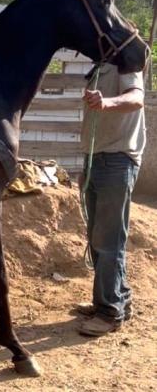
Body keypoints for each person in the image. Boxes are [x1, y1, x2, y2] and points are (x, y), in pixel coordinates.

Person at [76, 62, 145, 336]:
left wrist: (107, 103)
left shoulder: (127, 60)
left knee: (108, 240)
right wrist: (86, 164)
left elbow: (136, 98)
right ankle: (118, 298)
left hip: (117, 160)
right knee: (99, 237)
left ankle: (109, 312)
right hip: (97, 158)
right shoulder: (101, 65)